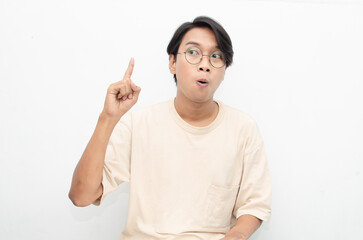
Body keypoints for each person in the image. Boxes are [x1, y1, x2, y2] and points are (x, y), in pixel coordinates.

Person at [69, 16, 271, 240]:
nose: (205, 64)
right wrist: (107, 118)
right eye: (193, 52)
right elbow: (81, 196)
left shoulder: (243, 128)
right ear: (172, 63)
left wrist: (237, 236)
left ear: (224, 70)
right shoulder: (139, 125)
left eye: (216, 56)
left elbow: (255, 205)